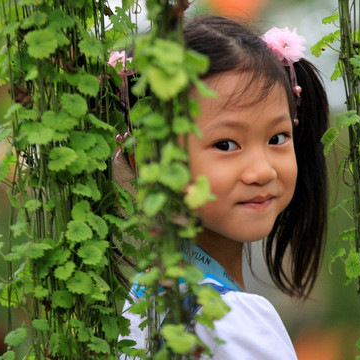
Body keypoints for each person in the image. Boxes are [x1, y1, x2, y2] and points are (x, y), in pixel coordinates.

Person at [116, 15, 329, 359]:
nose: (262, 172)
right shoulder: (235, 320)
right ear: (150, 163)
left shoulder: (142, 303)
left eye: (277, 138)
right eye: (226, 145)